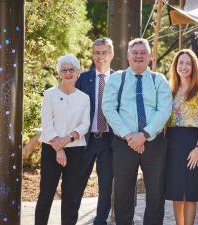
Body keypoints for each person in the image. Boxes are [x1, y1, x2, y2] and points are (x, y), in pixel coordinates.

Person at [102, 38, 172, 225]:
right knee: (123, 193)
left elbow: (164, 109)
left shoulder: (159, 80)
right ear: (128, 56)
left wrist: (144, 135)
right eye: (135, 52)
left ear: (149, 56)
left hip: (154, 144)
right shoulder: (117, 79)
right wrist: (129, 136)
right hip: (124, 143)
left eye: (143, 52)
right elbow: (108, 108)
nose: (139, 56)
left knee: (156, 193)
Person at [35, 54, 90, 225]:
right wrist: (59, 148)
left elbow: (85, 124)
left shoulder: (84, 98)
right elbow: (47, 122)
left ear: (77, 72)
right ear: (59, 73)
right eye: (64, 70)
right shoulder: (49, 94)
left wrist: (66, 139)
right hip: (51, 149)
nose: (68, 73)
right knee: (46, 193)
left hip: (76, 150)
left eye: (71, 70)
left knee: (71, 195)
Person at [166, 49, 198, 225]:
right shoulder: (169, 90)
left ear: (194, 67)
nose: (184, 66)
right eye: (180, 63)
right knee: (176, 192)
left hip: (192, 143)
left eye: (188, 63)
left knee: (190, 193)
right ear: (175, 66)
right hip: (172, 144)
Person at [75, 37, 114, 225]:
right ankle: (70, 218)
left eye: (104, 52)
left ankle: (100, 221)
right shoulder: (83, 79)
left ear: (111, 54)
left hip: (109, 140)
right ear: (92, 55)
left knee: (106, 185)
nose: (100, 56)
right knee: (78, 182)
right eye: (97, 53)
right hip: (86, 140)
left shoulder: (119, 79)